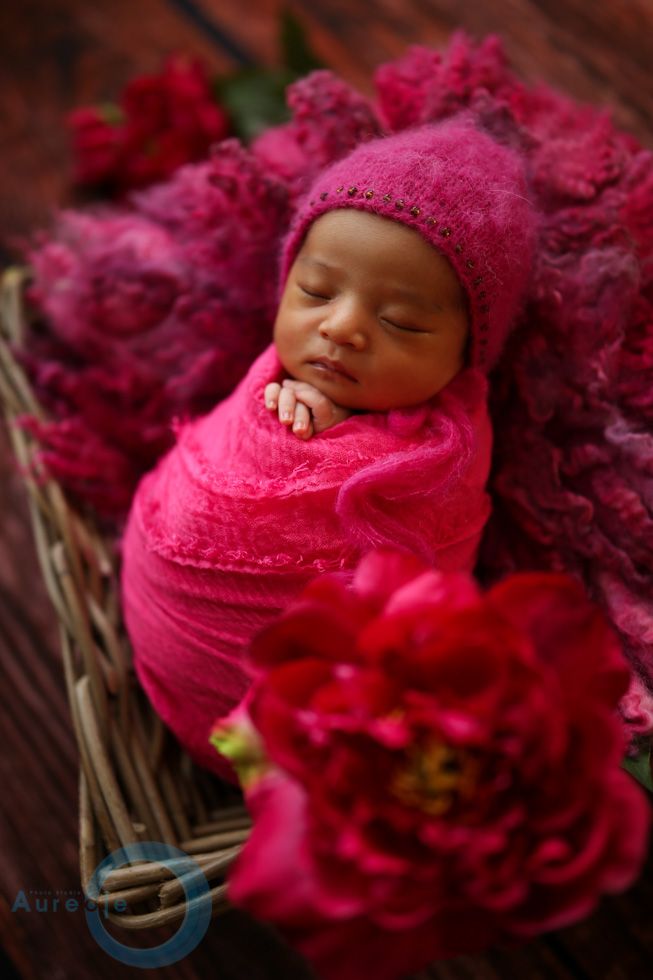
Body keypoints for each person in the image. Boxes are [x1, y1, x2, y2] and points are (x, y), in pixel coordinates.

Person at [121, 118, 537, 778]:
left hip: (318, 741)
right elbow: (217, 457)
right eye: (314, 291)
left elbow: (421, 590)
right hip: (169, 644)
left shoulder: (452, 449)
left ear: (464, 357)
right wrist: (284, 432)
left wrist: (351, 443)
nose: (340, 327)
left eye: (400, 322)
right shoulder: (270, 377)